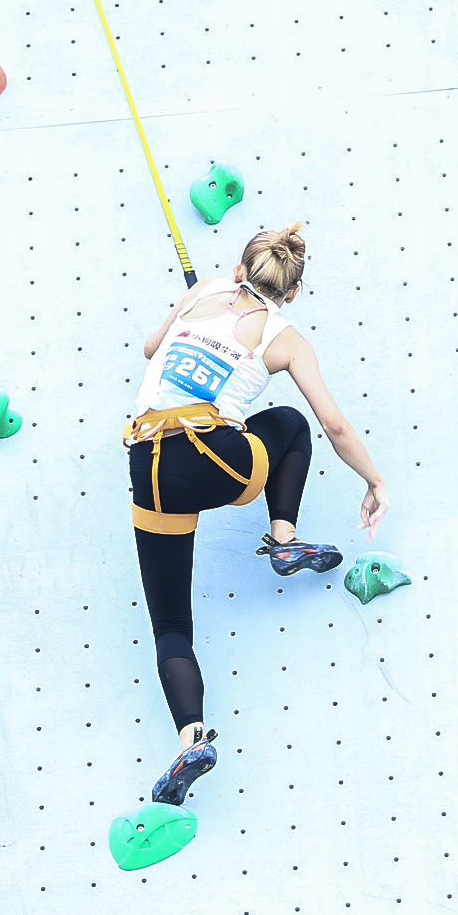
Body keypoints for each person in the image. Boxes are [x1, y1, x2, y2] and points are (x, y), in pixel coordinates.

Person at [123, 221, 387, 807]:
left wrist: (191, 312)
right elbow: (334, 425)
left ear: (240, 270)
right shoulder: (286, 337)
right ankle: (282, 536)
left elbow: (150, 349)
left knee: (171, 626)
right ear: (292, 292)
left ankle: (191, 738)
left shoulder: (204, 289)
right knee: (289, 423)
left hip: (151, 465)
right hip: (219, 458)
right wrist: (374, 480)